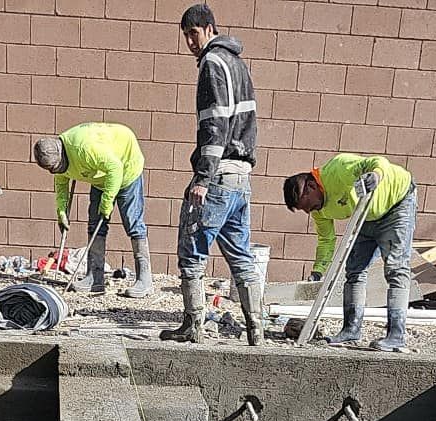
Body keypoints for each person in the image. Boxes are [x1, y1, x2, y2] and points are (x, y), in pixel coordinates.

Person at [160, 5, 263, 347]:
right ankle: (256, 328)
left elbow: (214, 124)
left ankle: (193, 325)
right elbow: (247, 123)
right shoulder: (239, 64)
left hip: (217, 173)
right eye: (186, 36)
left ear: (208, 28)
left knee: (192, 249)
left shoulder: (213, 63)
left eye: (193, 34)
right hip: (241, 176)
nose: (190, 42)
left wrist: (202, 178)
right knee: (241, 255)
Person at [282, 154, 417, 352]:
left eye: (308, 206)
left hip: (396, 205)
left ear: (311, 187)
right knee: (354, 271)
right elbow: (326, 240)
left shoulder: (339, 168)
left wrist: (376, 175)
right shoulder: (318, 210)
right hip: (366, 214)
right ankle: (351, 330)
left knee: (396, 269)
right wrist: (318, 270)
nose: (309, 212)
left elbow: (378, 162)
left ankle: (396, 335)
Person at [32, 125, 153, 298]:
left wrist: (107, 201)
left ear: (62, 154)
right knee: (95, 223)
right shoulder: (56, 155)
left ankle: (145, 280)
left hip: (126, 167)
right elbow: (61, 183)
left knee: (132, 222)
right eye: (52, 170)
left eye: (56, 167)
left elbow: (115, 168)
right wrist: (61, 211)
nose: (55, 171)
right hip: (101, 176)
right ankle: (94, 278)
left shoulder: (85, 149)